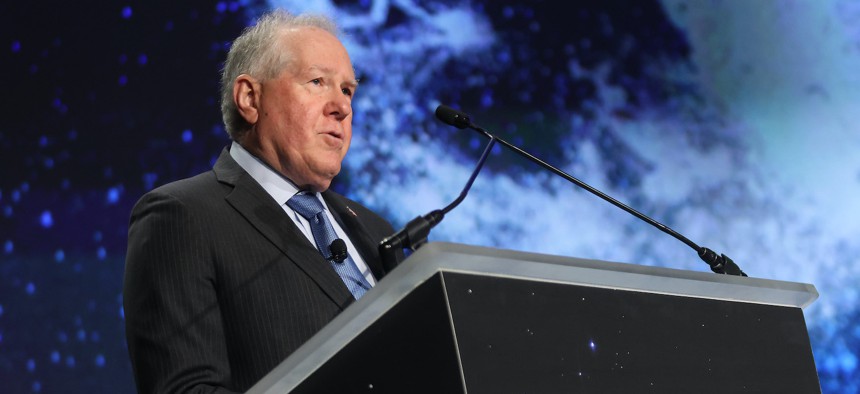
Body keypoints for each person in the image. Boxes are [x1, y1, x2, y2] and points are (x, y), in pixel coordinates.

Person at [123, 9, 403, 393]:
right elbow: (187, 388)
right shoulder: (182, 216)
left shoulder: (375, 231)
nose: (342, 107)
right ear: (250, 98)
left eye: (348, 90)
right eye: (318, 81)